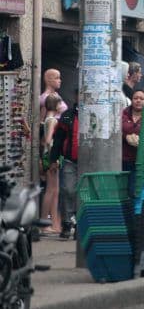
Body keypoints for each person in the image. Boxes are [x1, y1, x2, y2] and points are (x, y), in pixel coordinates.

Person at [50, 92, 79, 240]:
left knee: (84, 194)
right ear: (77, 96)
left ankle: (80, 225)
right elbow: (58, 139)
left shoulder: (97, 114)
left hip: (90, 162)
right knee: (67, 190)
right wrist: (53, 159)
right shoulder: (67, 115)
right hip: (69, 161)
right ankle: (67, 223)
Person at [40, 93, 63, 235]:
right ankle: (44, 223)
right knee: (51, 190)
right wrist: (53, 158)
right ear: (55, 105)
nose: (62, 106)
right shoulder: (53, 120)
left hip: (48, 156)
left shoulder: (47, 119)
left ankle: (54, 223)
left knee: (54, 190)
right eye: (60, 103)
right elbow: (48, 140)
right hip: (51, 157)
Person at [122, 90, 144, 196]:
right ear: (131, 100)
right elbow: (115, 130)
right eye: (136, 98)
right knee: (123, 190)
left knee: (134, 190)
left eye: (142, 99)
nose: (138, 101)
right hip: (124, 159)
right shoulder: (123, 114)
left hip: (141, 160)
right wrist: (126, 136)